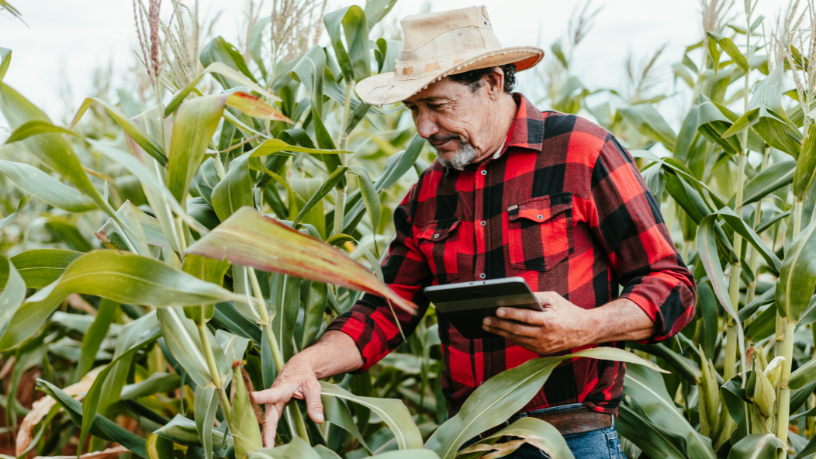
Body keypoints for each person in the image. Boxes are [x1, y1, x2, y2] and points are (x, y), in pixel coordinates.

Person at [252, 6, 696, 458]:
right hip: (469, 439)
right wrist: (307, 364)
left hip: (572, 437)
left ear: (492, 83)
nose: (424, 128)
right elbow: (384, 311)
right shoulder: (427, 194)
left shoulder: (581, 152)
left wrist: (586, 327)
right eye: (414, 109)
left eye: (438, 106)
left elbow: (672, 286)